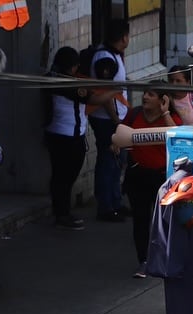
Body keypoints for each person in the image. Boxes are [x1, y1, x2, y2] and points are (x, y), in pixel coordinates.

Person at [121, 88, 182, 278]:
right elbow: (121, 134)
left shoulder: (171, 117)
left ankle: (166, 259)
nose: (145, 97)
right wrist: (116, 144)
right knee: (140, 220)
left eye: (151, 94)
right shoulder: (135, 114)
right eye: (145, 93)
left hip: (162, 178)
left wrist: (165, 113)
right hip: (137, 176)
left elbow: (178, 138)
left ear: (162, 99)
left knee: (165, 222)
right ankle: (144, 261)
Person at [43, 47, 95, 231]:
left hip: (59, 133)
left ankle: (61, 212)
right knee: (64, 177)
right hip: (66, 136)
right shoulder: (65, 83)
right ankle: (62, 214)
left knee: (61, 176)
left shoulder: (52, 77)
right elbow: (90, 97)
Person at [88, 20, 129, 223]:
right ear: (124, 37)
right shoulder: (105, 58)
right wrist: (115, 121)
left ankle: (115, 202)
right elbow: (104, 94)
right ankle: (105, 207)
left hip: (116, 118)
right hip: (107, 120)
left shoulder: (113, 55)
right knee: (108, 161)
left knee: (117, 161)